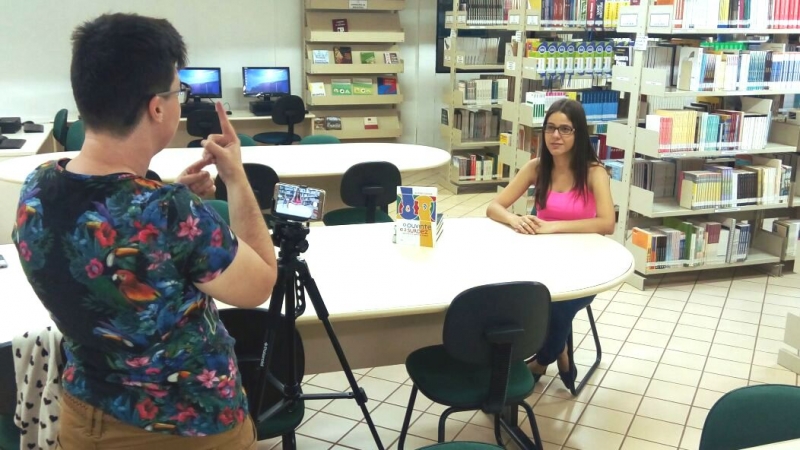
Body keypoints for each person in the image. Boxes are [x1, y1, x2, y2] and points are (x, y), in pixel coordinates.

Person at [12, 13, 278, 449]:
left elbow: (109, 222)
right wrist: (236, 178)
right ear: (157, 107)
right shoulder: (168, 212)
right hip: (188, 428)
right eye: (177, 92)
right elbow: (261, 282)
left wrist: (174, 199)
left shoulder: (38, 187)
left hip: (84, 415)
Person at [486, 98, 615, 390]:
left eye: (565, 129)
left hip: (585, 266)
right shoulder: (537, 167)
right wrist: (514, 219)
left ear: (578, 133)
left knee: (557, 308)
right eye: (550, 128)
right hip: (543, 261)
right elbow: (494, 206)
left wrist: (553, 226)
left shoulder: (594, 172)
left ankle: (541, 360)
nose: (556, 136)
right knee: (513, 297)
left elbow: (607, 223)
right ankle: (561, 352)